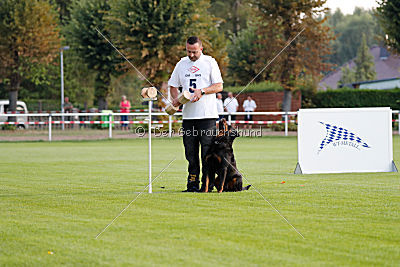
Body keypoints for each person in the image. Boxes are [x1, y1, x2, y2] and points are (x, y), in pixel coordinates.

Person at [168, 36, 223, 192]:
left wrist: (203, 91)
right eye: (188, 51)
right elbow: (173, 85)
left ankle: (207, 185)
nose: (191, 55)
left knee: (207, 153)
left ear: (201, 49)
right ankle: (192, 184)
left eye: (194, 52)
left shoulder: (210, 62)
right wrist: (176, 99)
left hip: (207, 117)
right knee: (190, 153)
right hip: (189, 117)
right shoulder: (181, 64)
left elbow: (219, 86)